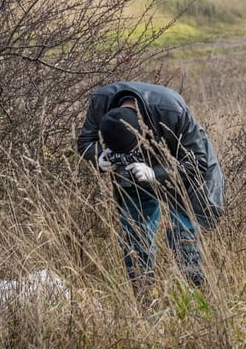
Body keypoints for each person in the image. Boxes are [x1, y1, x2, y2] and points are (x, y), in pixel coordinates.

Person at [77, 81, 224, 292]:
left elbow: (197, 163)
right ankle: (143, 292)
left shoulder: (171, 109)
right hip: (133, 173)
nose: (128, 154)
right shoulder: (100, 102)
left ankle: (195, 291)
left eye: (132, 149)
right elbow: (85, 141)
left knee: (184, 232)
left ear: (143, 131)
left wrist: (155, 173)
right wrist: (99, 156)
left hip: (182, 169)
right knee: (134, 233)